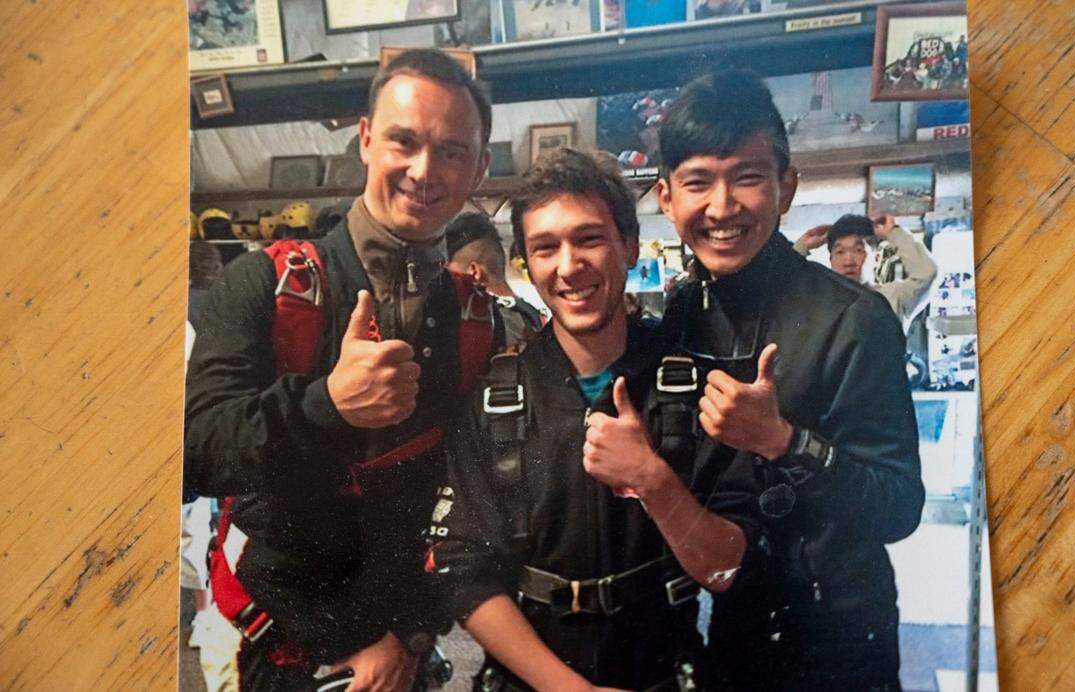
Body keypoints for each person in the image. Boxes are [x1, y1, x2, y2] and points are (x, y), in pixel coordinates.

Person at [184, 49, 495, 691]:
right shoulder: (264, 283)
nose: (423, 171)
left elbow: (468, 505)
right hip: (272, 647)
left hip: (404, 650)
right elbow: (193, 458)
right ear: (365, 139)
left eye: (452, 152)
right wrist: (325, 404)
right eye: (403, 142)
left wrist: (406, 636)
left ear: (480, 169)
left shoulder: (479, 320)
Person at [430, 149, 758, 691]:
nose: (568, 266)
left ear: (629, 246)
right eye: (545, 247)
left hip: (663, 673)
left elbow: (726, 570)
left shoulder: (698, 389)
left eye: (589, 239)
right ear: (524, 265)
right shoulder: (492, 400)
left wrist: (654, 481)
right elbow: (465, 577)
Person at [655, 69, 924, 691]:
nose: (721, 208)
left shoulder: (855, 317)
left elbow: (899, 506)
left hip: (838, 636)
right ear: (666, 198)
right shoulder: (680, 312)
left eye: (746, 177)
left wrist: (784, 442)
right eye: (698, 182)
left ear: (786, 185)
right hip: (730, 624)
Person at [794, 213, 937, 323]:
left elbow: (927, 273)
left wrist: (894, 232)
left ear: (876, 257)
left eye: (858, 250)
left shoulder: (892, 298)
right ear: (831, 260)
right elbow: (778, 290)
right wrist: (801, 248)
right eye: (840, 252)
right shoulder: (817, 302)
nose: (848, 261)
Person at [445, 211, 544, 345]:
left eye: (450, 274)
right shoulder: (532, 315)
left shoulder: (482, 326)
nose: (446, 282)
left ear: (474, 272)